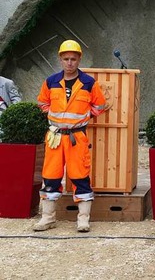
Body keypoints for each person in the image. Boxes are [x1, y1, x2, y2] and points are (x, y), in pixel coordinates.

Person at [33, 40, 106, 232]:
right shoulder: (51, 81)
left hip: (77, 137)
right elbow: (42, 103)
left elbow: (99, 106)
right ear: (60, 59)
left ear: (79, 59)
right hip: (55, 137)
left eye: (73, 59)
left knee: (80, 176)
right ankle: (48, 218)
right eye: (66, 59)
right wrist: (54, 115)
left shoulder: (89, 83)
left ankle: (83, 219)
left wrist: (84, 116)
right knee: (50, 176)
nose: (70, 62)